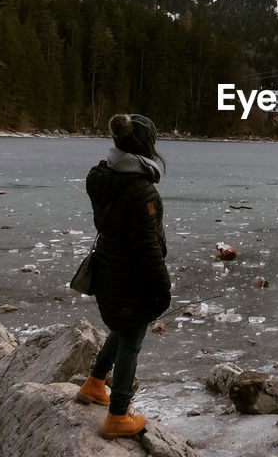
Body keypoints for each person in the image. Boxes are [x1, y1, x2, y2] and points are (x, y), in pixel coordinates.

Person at [75, 114, 172, 439]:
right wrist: (162, 290)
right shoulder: (140, 190)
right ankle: (117, 415)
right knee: (132, 340)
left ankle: (94, 383)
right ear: (146, 146)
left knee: (125, 327)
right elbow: (148, 250)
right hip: (131, 277)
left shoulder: (103, 176)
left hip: (109, 271)